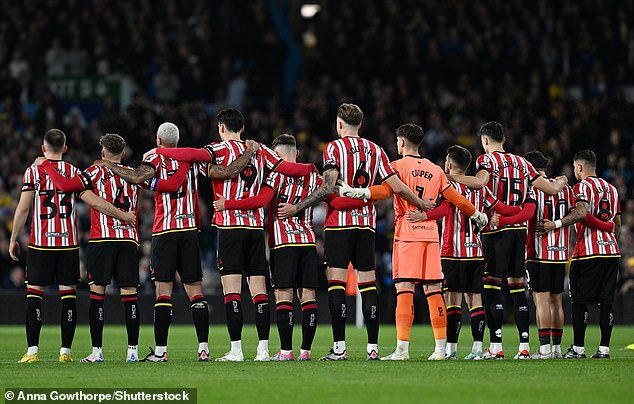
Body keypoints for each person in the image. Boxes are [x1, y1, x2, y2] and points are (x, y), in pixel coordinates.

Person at [153, 109, 315, 362]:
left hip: (229, 228)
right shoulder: (261, 150)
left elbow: (191, 154)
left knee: (232, 292)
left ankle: (236, 350)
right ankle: (263, 350)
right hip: (254, 229)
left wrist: (160, 151)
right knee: (259, 292)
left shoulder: (218, 149)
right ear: (243, 127)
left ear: (221, 128)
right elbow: (288, 169)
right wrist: (312, 168)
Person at [279, 105, 435, 361]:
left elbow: (328, 187)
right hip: (366, 225)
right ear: (360, 124)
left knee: (336, 286)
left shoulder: (333, 148)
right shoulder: (376, 150)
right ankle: (372, 348)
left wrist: (298, 206)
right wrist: (420, 203)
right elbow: (396, 185)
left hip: (339, 225)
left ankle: (339, 348)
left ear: (340, 124)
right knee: (368, 286)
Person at [99, 122, 254, 362]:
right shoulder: (193, 161)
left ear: (159, 140)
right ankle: (204, 348)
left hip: (165, 232)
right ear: (177, 142)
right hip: (190, 232)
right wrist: (248, 152)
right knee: (196, 292)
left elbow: (137, 176)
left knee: (163, 292)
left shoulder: (155, 158)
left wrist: (109, 164)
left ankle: (160, 352)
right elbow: (227, 172)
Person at [35, 133, 189, 363]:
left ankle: (97, 352)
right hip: (128, 240)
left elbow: (64, 185)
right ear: (123, 153)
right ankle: (133, 352)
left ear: (103, 153)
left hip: (102, 239)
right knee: (130, 295)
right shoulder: (134, 175)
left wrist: (45, 163)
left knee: (98, 295)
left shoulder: (96, 171)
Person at [213, 134, 368, 361]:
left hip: (283, 243)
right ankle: (305, 351)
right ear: (296, 152)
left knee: (283, 296)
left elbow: (260, 201)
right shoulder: (312, 174)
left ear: (276, 155)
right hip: (306, 242)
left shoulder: (275, 175)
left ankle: (286, 351)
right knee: (308, 297)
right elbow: (333, 198)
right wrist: (365, 199)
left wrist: (228, 203)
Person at [341, 127, 487, 360]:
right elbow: (456, 199)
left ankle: (402, 349)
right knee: (433, 290)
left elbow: (384, 191)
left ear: (401, 142)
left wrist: (357, 192)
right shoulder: (435, 169)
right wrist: (477, 214)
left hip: (408, 232)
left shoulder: (396, 166)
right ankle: (440, 349)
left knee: (405, 290)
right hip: (430, 235)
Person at [9, 129, 135, 363]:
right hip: (68, 244)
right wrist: (123, 215)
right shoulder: (74, 172)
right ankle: (65, 352)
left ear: (43, 147)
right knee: (68, 296)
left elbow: (24, 208)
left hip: (41, 243)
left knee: (35, 295)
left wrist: (13, 238)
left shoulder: (34, 171)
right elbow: (94, 201)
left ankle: (33, 352)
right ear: (65, 148)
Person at [450, 121, 567, 360]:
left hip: (496, 231)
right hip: (519, 233)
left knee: (492, 289)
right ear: (504, 138)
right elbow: (551, 190)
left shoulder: (486, 161)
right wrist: (563, 181)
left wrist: (451, 177)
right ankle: (524, 347)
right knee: (517, 291)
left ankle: (496, 347)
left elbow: (481, 182)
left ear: (485, 140)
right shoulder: (523, 162)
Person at [492, 150, 613, 360]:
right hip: (561, 253)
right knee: (557, 301)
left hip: (538, 252)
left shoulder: (531, 187)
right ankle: (557, 348)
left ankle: (545, 349)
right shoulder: (566, 188)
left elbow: (524, 214)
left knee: (542, 300)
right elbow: (576, 213)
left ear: (529, 169)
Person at [412, 145, 522, 360]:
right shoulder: (480, 188)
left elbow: (444, 209)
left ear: (450, 164)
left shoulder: (448, 184)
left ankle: (451, 349)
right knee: (475, 300)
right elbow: (500, 207)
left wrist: (424, 215)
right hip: (476, 251)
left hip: (453, 251)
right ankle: (477, 349)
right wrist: (522, 210)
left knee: (453, 299)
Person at [537, 150, 621, 359]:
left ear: (580, 167)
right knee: (606, 302)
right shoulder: (612, 189)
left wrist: (555, 224)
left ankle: (578, 349)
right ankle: (604, 349)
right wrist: (608, 232)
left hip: (588, 252)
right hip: (611, 251)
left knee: (580, 301)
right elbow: (616, 225)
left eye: (575, 167)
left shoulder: (581, 187)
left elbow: (581, 213)